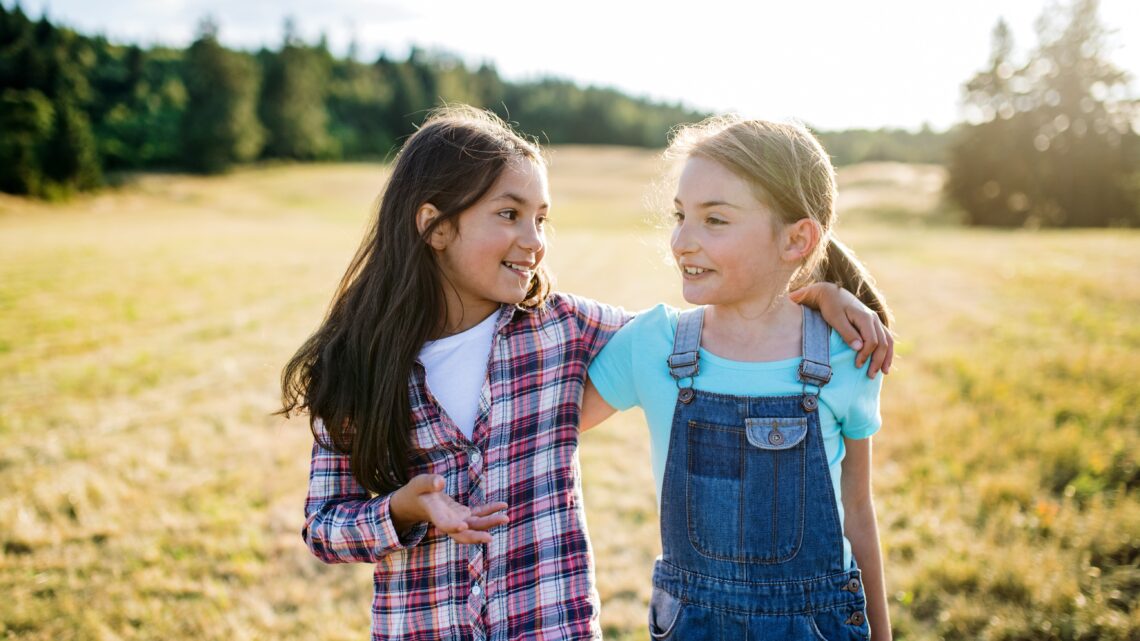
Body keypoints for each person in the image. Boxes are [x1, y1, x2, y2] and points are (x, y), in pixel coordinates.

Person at [279, 105, 892, 641]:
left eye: (540, 219)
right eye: (510, 214)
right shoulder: (356, 367)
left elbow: (729, 327)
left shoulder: (559, 331)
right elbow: (323, 526)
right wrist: (401, 511)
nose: (534, 240)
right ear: (435, 226)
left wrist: (818, 292)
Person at [583, 115, 894, 639]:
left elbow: (858, 513)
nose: (682, 240)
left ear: (796, 240)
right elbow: (547, 427)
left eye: (715, 220)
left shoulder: (845, 356)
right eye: (680, 215)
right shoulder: (651, 344)